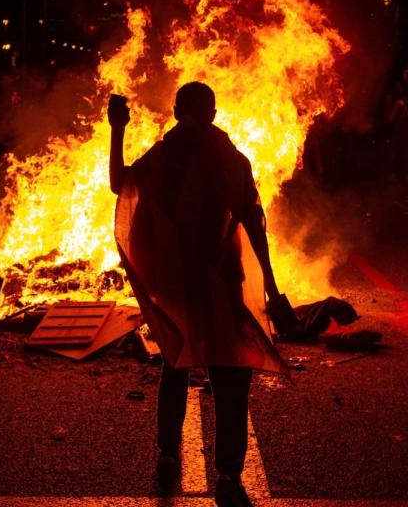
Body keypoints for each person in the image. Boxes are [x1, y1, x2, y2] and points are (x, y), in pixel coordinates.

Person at [109, 82, 290, 507]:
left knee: (175, 363)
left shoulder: (162, 156)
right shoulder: (233, 160)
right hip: (220, 281)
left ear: (176, 111)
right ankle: (228, 475)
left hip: (174, 282)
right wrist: (272, 288)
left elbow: (120, 184)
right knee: (231, 377)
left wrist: (117, 129)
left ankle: (169, 453)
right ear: (211, 112)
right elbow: (255, 227)